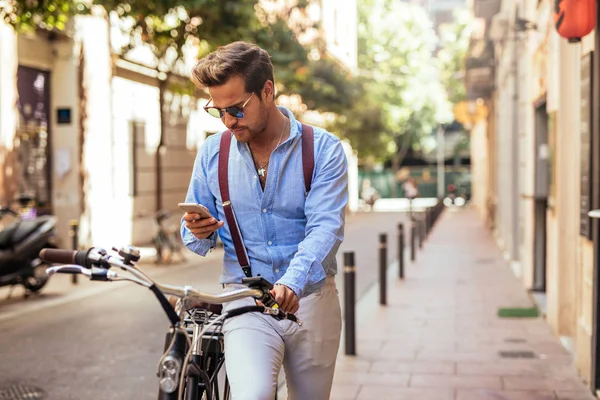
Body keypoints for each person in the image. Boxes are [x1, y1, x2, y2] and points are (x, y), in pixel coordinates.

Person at [180, 41, 348, 400]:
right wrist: (197, 229)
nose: (227, 121)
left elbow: (326, 227)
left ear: (267, 91)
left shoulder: (324, 149)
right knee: (252, 394)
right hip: (245, 301)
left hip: (312, 300)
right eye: (218, 111)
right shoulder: (213, 152)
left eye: (236, 109)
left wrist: (292, 281)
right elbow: (194, 237)